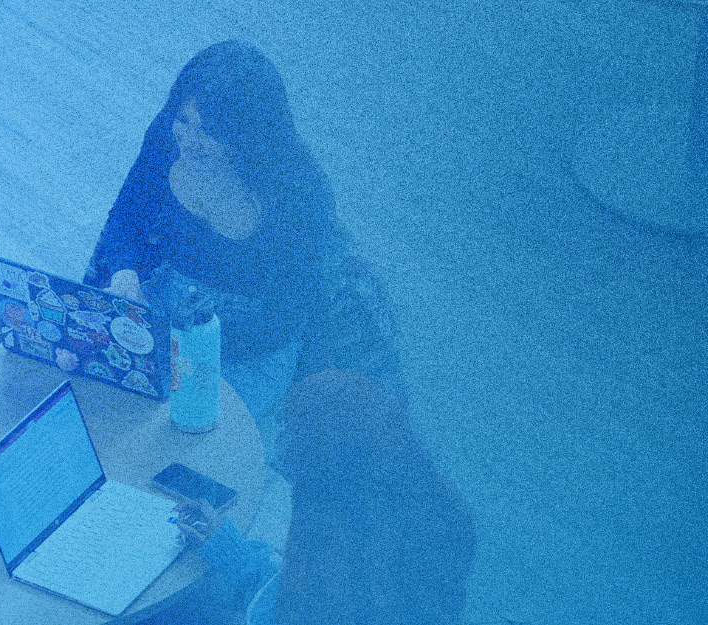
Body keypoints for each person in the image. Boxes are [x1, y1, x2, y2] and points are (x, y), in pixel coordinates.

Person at [91, 42, 473, 624]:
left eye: (208, 130)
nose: (188, 139)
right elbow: (125, 219)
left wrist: (193, 356)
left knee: (197, 438)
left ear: (247, 140)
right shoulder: (170, 140)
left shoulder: (297, 204)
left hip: (245, 341)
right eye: (184, 120)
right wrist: (125, 274)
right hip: (172, 311)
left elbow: (290, 321)